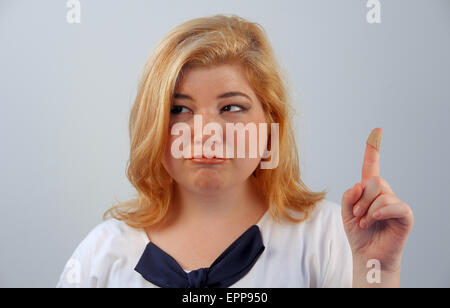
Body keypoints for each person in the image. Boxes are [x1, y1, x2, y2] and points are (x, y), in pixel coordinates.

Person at [56, 14, 413, 288]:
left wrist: (376, 272)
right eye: (178, 109)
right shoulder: (98, 257)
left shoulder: (331, 237)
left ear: (270, 122)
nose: (206, 132)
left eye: (231, 108)